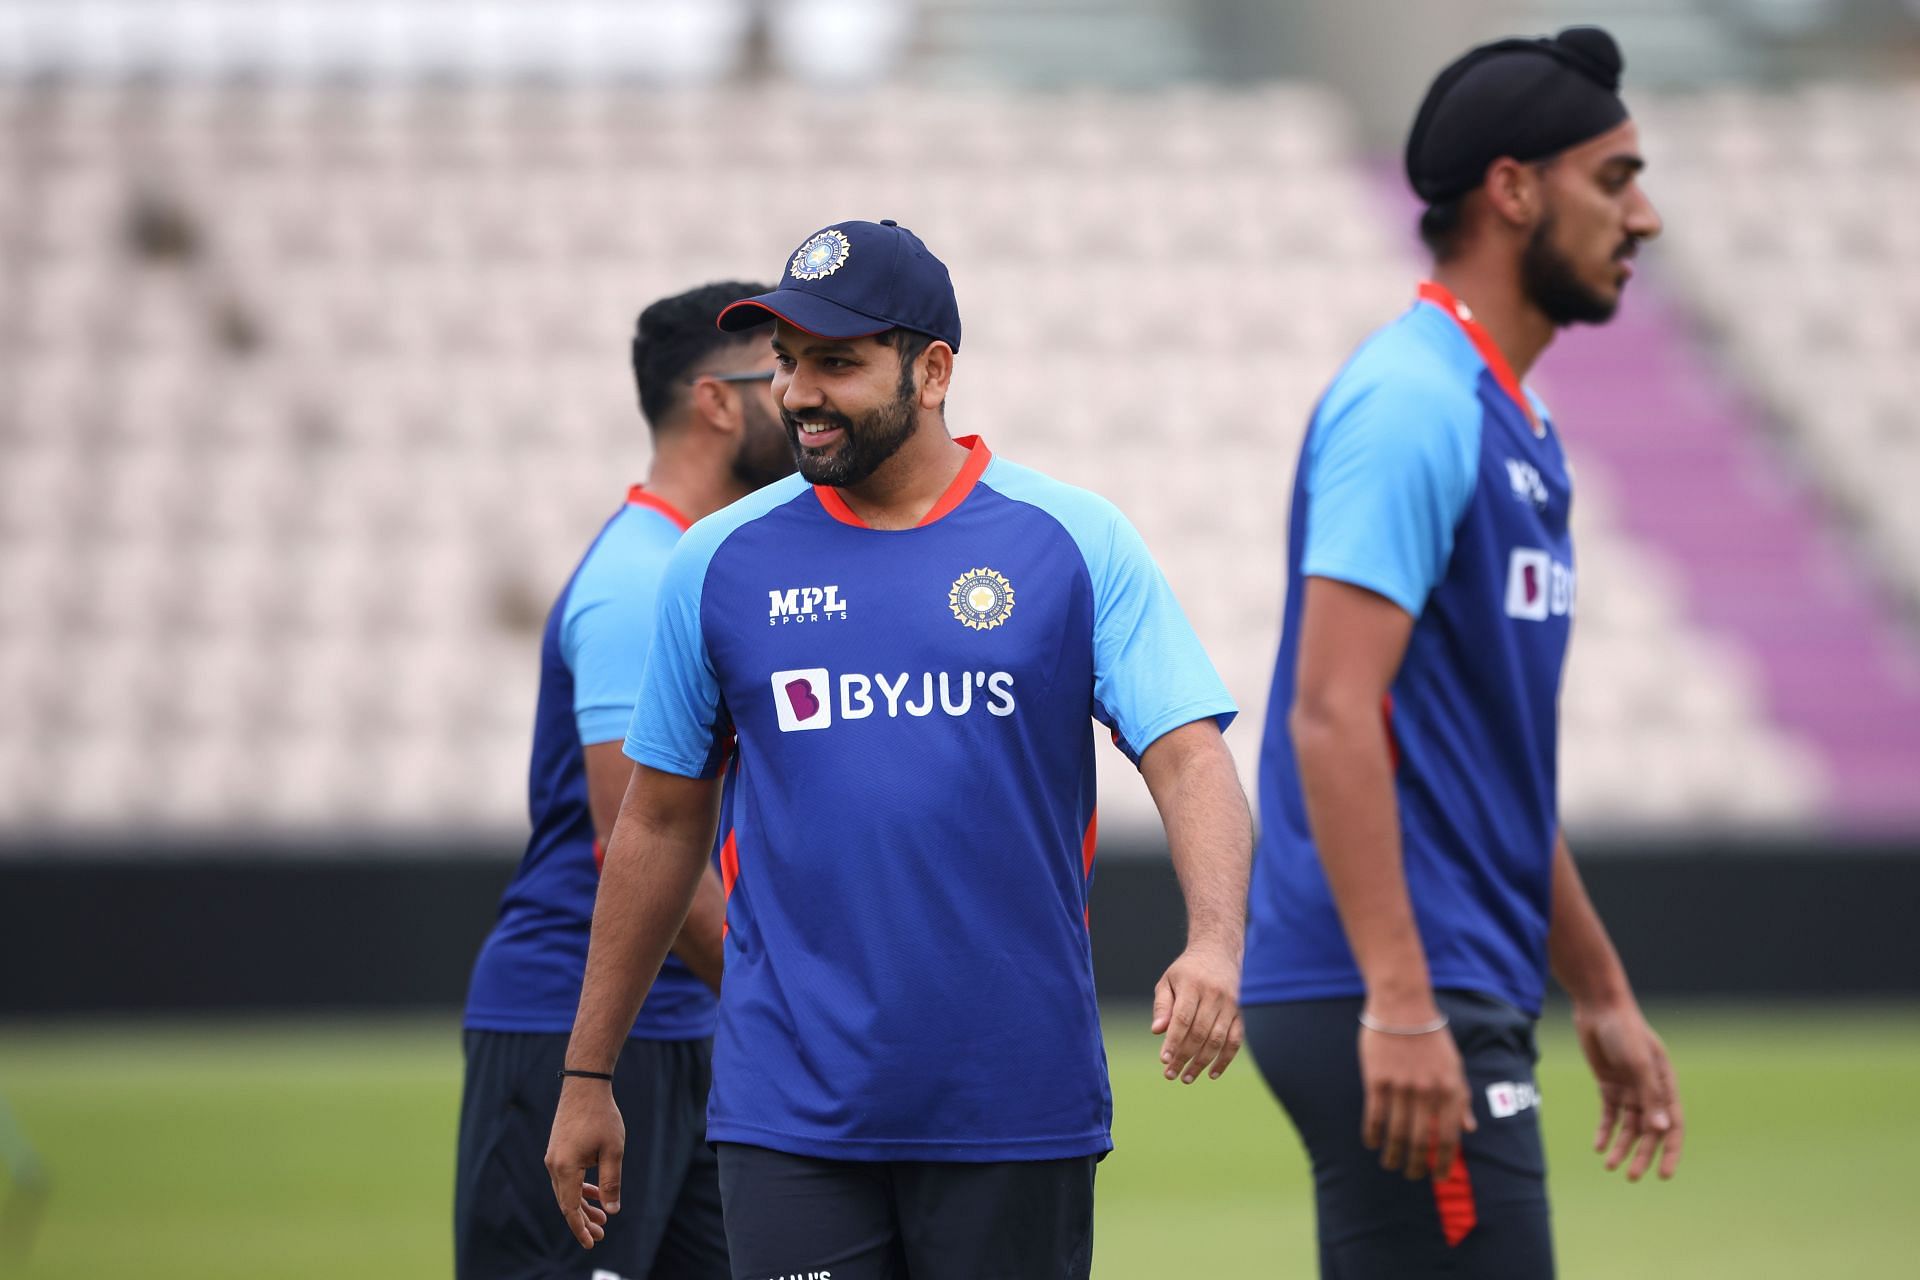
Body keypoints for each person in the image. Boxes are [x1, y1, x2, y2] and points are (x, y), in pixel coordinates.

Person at [544, 219, 1254, 1280]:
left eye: (836, 361)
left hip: (1015, 1099)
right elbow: (655, 817)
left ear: (931, 371)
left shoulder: (1072, 537)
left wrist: (1216, 941)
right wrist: (588, 1068)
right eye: (784, 362)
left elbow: (1189, 756)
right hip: (790, 1108)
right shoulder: (718, 561)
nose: (797, 392)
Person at [1239, 27, 1684, 1279]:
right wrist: (1398, 995)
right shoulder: (1412, 403)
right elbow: (1331, 711)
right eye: (1615, 177)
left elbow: (1481, 761)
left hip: (1450, 980)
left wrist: (1596, 987)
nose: (1643, 217)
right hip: (1394, 987)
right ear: (1514, 189)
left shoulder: (1515, 420)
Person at [456, 280, 795, 1280]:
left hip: (676, 1025)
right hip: (581, 1029)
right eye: (778, 374)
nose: (804, 396)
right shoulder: (645, 581)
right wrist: (792, 1007)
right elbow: (637, 840)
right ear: (717, 401)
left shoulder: (689, 565)